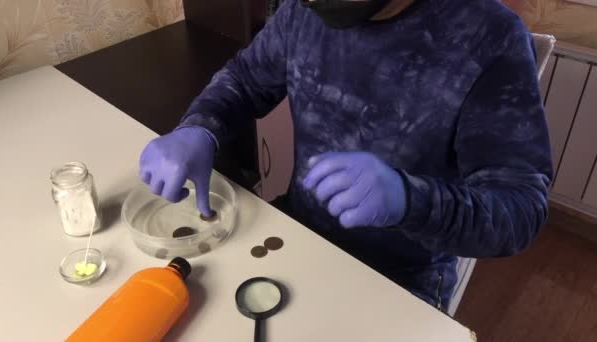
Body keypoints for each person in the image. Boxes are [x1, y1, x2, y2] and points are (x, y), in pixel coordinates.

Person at [139, 0, 553, 311]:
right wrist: (199, 128)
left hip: (401, 278)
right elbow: (246, 78)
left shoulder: (488, 36)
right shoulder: (306, 10)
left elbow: (520, 208)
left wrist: (410, 200)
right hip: (299, 236)